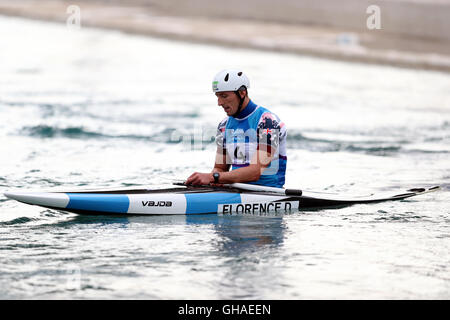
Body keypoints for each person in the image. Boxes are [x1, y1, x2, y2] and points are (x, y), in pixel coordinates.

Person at [185, 69, 287, 187]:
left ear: (242, 93)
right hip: (236, 191)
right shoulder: (223, 126)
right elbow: (220, 168)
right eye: (217, 96)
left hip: (269, 194)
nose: (219, 102)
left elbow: (255, 172)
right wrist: (210, 178)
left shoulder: (268, 122)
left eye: (224, 96)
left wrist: (213, 177)